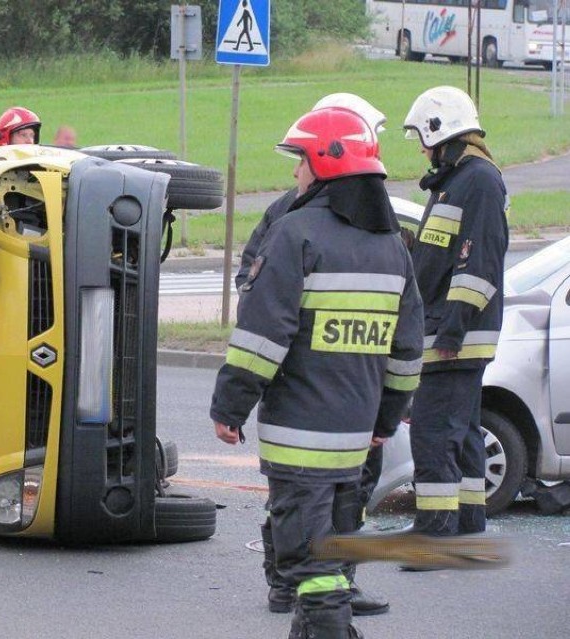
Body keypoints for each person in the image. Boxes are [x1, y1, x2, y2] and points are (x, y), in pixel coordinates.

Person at [210, 107, 423, 639]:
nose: (295, 175)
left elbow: (261, 339)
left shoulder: (294, 234)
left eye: (299, 161)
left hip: (297, 441)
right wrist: (387, 419)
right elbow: (407, 351)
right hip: (355, 441)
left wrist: (229, 407)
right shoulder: (393, 246)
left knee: (311, 566)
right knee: (329, 554)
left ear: (325, 163)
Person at [236, 93, 392, 617]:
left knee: (316, 506)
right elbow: (257, 296)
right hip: (333, 410)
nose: (297, 171)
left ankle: (321, 587)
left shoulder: (375, 229)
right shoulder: (292, 219)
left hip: (332, 413)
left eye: (300, 159)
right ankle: (300, 585)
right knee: (302, 509)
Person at [402, 86, 509, 544]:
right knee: (461, 432)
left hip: (453, 336)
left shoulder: (479, 180)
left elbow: (479, 262)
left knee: (431, 433)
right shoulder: (457, 180)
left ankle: (434, 533)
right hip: (451, 332)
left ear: (440, 129)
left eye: (424, 138)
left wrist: (452, 329)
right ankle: (467, 523)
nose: (423, 149)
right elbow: (443, 256)